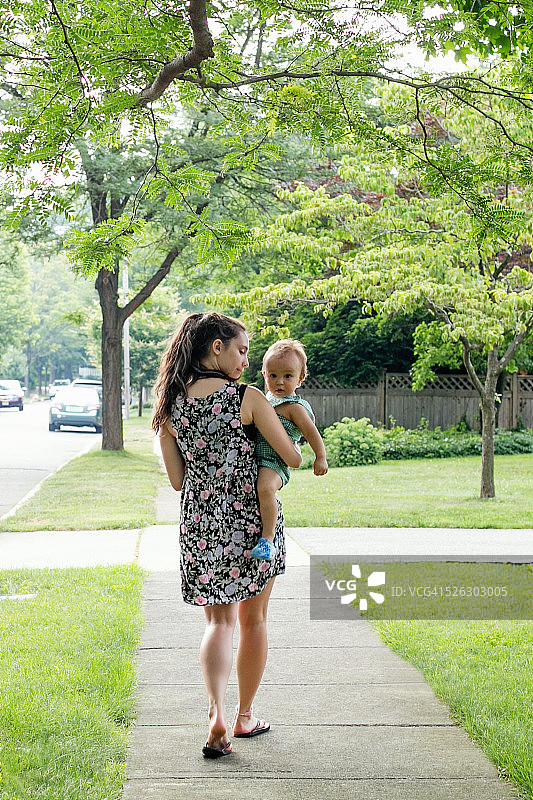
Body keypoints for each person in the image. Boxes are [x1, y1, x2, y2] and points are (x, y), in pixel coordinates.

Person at [152, 312, 301, 759]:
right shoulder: (247, 398)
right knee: (253, 621)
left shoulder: (169, 404)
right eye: (240, 350)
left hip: (200, 523)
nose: (244, 360)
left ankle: (214, 710)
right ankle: (243, 716)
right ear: (216, 347)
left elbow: (177, 480)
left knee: (218, 622)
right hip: (251, 522)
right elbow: (291, 457)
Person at [250, 339, 328, 560]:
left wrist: (320, 457)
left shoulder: (295, 408)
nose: (279, 382)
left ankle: (267, 540)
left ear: (300, 379)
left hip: (274, 463)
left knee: (265, 488)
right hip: (258, 459)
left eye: (288, 376)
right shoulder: (264, 400)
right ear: (264, 375)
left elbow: (312, 433)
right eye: (273, 375)